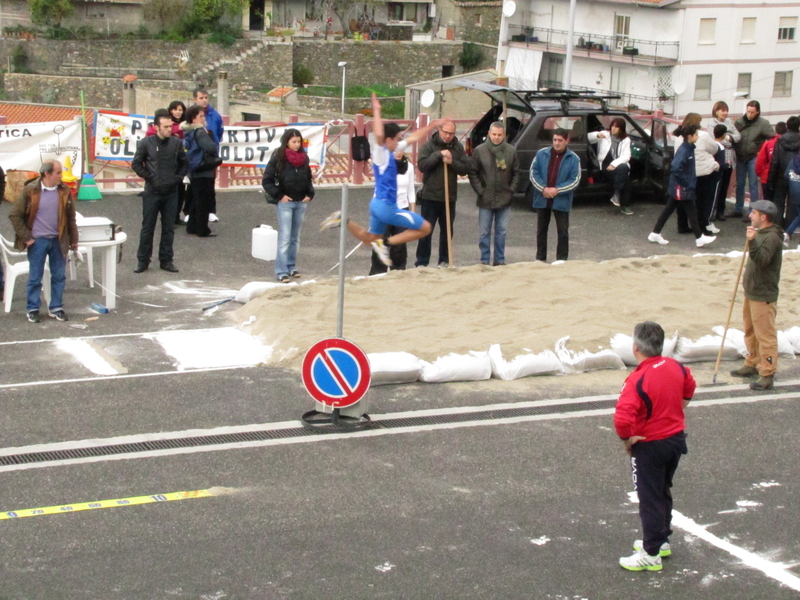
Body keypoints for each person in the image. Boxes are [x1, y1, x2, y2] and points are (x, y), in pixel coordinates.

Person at [320, 94, 440, 267]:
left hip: (376, 205)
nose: (400, 141)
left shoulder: (393, 148)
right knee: (425, 228)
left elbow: (413, 138)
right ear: (389, 139)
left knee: (369, 239)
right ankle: (385, 243)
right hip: (387, 208)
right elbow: (377, 133)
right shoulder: (381, 153)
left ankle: (343, 220)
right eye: (397, 137)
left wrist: (432, 125)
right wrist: (376, 110)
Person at [615, 321, 696, 572]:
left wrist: (628, 438)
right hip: (675, 440)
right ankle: (661, 541)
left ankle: (651, 553)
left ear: (636, 348)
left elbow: (622, 418)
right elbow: (689, 389)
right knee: (662, 491)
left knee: (649, 498)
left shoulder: (637, 379)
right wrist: (675, 410)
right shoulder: (676, 367)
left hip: (650, 446)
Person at [8, 160, 78, 322]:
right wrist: (27, 237)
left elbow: (70, 218)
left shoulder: (64, 192)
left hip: (58, 241)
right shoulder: (30, 191)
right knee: (35, 277)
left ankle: (56, 307)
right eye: (58, 173)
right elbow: (14, 215)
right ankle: (32, 308)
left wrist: (73, 239)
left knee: (59, 276)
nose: (61, 176)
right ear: (46, 174)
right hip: (37, 241)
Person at [729, 200, 783, 391]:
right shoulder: (762, 233)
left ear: (764, 217)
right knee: (750, 331)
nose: (750, 215)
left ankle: (767, 373)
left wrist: (752, 242)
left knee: (765, 336)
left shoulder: (772, 237)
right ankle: (752, 363)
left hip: (763, 294)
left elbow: (761, 260)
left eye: (754, 213)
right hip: (752, 291)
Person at [131, 113, 189, 273]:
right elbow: (136, 163)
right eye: (166, 127)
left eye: (171, 126)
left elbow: (185, 163)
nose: (169, 129)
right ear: (156, 127)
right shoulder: (146, 143)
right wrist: (150, 177)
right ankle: (142, 261)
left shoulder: (176, 143)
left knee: (168, 228)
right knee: (147, 227)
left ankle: (166, 260)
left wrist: (177, 179)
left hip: (171, 192)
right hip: (152, 192)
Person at [415, 119, 472, 268]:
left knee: (447, 232)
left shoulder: (457, 147)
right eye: (445, 132)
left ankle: (444, 260)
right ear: (439, 131)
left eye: (451, 133)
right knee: (426, 231)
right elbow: (422, 165)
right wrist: (438, 155)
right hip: (430, 197)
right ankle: (422, 262)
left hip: (449, 196)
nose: (448, 136)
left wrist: (452, 162)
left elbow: (465, 168)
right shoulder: (429, 146)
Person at [648, 125, 716, 248]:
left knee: (670, 209)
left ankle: (655, 232)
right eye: (696, 134)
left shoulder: (688, 148)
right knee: (691, 211)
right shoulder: (685, 150)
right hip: (682, 187)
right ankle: (699, 238)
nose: (698, 136)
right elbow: (675, 168)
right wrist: (687, 183)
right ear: (690, 136)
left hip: (680, 186)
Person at [262, 128, 315, 283]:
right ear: (287, 142)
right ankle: (281, 270)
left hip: (301, 202)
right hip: (285, 203)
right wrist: (280, 196)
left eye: (299, 141)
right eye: (294, 142)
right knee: (284, 237)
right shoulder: (278, 157)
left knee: (295, 237)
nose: (297, 145)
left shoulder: (304, 157)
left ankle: (291, 266)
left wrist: (310, 194)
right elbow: (267, 180)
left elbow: (308, 177)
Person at [468, 121, 520, 266]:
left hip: (505, 198)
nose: (496, 137)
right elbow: (473, 172)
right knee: (484, 232)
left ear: (504, 135)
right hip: (486, 198)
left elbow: (516, 173)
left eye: (499, 135)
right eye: (494, 134)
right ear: (489, 134)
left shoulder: (511, 151)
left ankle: (499, 260)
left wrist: (511, 190)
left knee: (501, 232)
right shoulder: (480, 150)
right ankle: (484, 260)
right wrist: (481, 191)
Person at [529, 128, 580, 262]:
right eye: (555, 140)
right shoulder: (541, 154)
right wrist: (543, 189)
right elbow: (534, 173)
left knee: (563, 232)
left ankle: (561, 260)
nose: (557, 143)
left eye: (560, 140)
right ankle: (540, 259)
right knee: (541, 231)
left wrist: (557, 190)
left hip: (561, 200)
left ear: (567, 140)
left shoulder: (574, 158)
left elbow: (575, 180)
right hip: (542, 198)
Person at [369, 147, 416, 274]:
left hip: (401, 208)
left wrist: (412, 210)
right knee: (380, 242)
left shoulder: (409, 167)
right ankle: (378, 272)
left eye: (401, 150)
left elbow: (410, 190)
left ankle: (398, 270)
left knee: (399, 244)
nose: (398, 153)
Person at [672, 114, 720, 236]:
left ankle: (682, 225)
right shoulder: (703, 136)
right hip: (703, 172)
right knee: (702, 201)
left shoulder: (678, 136)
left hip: (686, 173)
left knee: (684, 201)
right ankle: (702, 226)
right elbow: (714, 149)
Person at [182, 105, 220, 238]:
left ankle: (192, 226)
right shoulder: (200, 132)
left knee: (195, 199)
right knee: (203, 200)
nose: (203, 119)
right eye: (201, 116)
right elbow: (211, 147)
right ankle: (202, 229)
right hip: (203, 168)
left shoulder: (188, 132)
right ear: (193, 119)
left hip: (193, 168)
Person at [146, 102, 187, 225]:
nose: (179, 112)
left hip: (176, 163)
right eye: (175, 110)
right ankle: (167, 218)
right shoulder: (152, 132)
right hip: (161, 167)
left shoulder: (179, 125)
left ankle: (174, 217)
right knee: (163, 196)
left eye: (181, 109)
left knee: (180, 191)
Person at [733, 100, 774, 218]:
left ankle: (752, 211)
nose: (749, 114)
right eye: (748, 111)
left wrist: (761, 150)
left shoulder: (763, 124)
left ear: (757, 112)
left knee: (753, 184)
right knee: (740, 183)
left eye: (752, 112)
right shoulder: (739, 122)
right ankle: (738, 208)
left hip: (754, 156)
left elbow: (772, 138)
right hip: (740, 155)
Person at [588, 117, 633, 216]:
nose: (613, 128)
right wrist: (597, 135)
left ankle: (617, 193)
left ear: (621, 129)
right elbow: (588, 137)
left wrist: (614, 164)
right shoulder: (606, 134)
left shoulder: (626, 139)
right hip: (604, 165)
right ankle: (623, 203)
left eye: (616, 127)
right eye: (613, 126)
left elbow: (626, 156)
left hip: (616, 166)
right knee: (625, 179)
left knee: (623, 169)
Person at [192, 88, 224, 222]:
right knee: (195, 185)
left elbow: (220, 133)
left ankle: (210, 211)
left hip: (211, 156)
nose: (204, 100)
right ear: (195, 99)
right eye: (201, 98)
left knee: (210, 183)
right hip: (196, 156)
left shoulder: (215, 115)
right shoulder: (191, 114)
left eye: (206, 97)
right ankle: (190, 212)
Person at [709, 101, 741, 222]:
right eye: (722, 110)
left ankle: (720, 211)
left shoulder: (729, 122)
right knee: (716, 185)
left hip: (730, 158)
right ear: (716, 111)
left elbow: (738, 136)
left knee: (725, 186)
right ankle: (711, 210)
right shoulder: (712, 123)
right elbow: (716, 139)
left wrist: (727, 137)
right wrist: (729, 139)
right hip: (718, 157)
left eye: (726, 110)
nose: (725, 113)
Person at [767, 116, 800, 228]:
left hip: (781, 173)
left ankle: (777, 224)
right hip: (797, 174)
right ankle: (789, 226)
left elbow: (775, 160)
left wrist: (771, 178)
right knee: (793, 201)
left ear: (787, 126)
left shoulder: (780, 140)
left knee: (779, 200)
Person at [782, 153, 800, 246]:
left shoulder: (793, 161)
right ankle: (788, 233)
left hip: (794, 193)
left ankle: (788, 233)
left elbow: (786, 175)